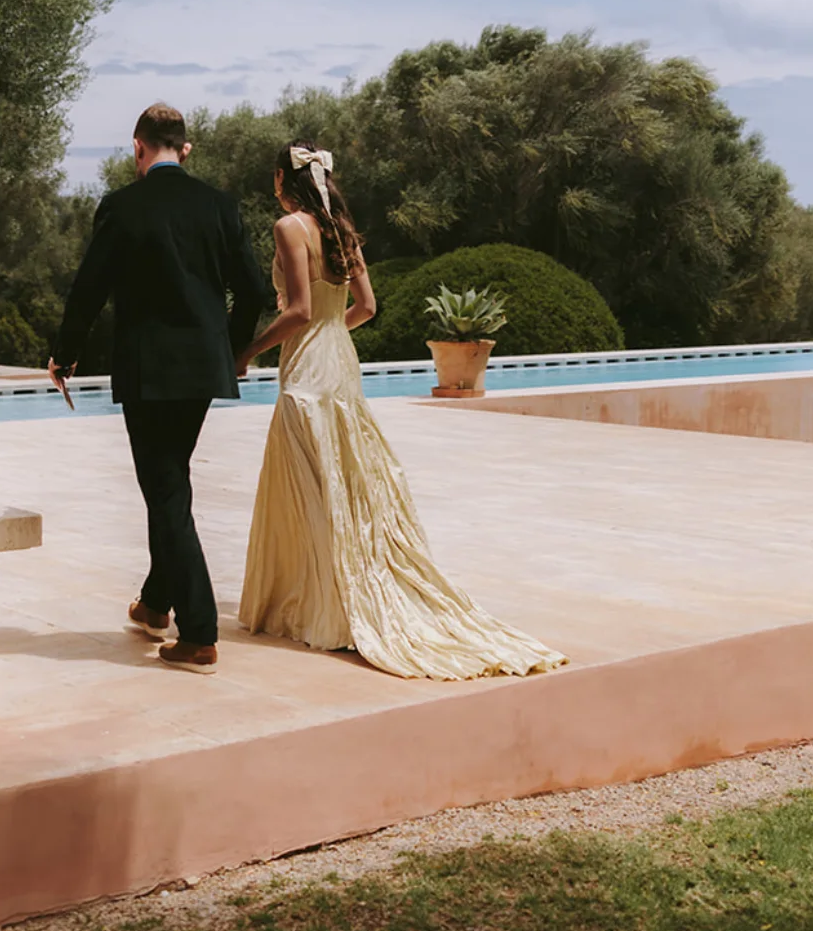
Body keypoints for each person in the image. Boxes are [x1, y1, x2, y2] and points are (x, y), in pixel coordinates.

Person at [237, 142, 566, 680]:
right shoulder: (341, 229)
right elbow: (366, 307)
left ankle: (320, 605)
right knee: (344, 482)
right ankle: (336, 595)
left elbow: (297, 310)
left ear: (281, 179)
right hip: (340, 363)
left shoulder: (288, 227)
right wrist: (329, 333)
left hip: (307, 372)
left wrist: (245, 352)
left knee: (309, 485)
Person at [50, 103, 271, 674]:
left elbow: (89, 289)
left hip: (148, 372)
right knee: (170, 479)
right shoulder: (220, 206)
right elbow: (252, 291)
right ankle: (154, 604)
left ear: (137, 148)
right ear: (186, 149)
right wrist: (234, 349)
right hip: (202, 369)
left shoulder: (123, 207)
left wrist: (64, 353)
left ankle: (199, 633)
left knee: (167, 489)